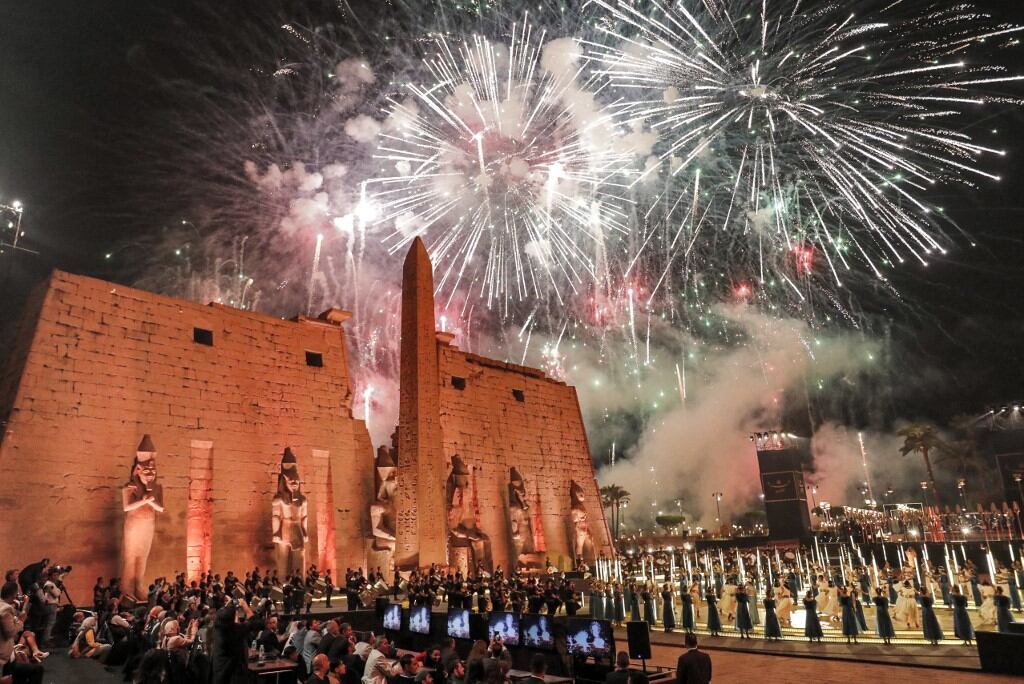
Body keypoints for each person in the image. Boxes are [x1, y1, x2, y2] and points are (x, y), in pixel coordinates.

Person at [0, 582, 44, 684]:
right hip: (3, 659)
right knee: (35, 670)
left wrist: (22, 614)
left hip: (7, 656)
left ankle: (35, 652)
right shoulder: (6, 609)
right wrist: (21, 621)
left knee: (34, 670)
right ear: (13, 594)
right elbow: (10, 632)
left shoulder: (4, 605)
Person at [211, 599, 260, 684]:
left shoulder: (216, 629)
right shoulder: (236, 631)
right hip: (234, 676)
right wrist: (245, 606)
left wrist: (228, 608)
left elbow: (226, 618)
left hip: (219, 673)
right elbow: (254, 621)